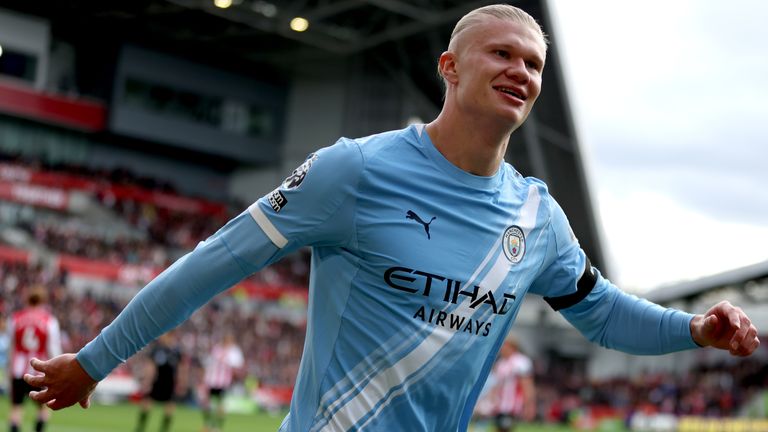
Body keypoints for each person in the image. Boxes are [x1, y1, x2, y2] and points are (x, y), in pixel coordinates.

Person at [24, 4, 760, 432]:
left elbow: (600, 315)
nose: (522, 72)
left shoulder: (537, 217)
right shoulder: (357, 170)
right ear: (449, 66)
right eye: (502, 53)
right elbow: (214, 261)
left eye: (535, 63)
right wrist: (93, 361)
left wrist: (691, 328)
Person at [9, 288, 61, 432]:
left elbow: (11, 347)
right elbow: (53, 348)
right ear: (43, 301)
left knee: (16, 409)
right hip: (39, 370)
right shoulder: (49, 321)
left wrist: (9, 370)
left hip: (19, 370)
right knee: (43, 409)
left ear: (27, 300)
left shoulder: (16, 318)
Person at [134, 331, 185, 432]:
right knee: (146, 404)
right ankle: (140, 428)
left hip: (170, 383)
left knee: (169, 408)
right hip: (156, 381)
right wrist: (147, 381)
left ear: (170, 336)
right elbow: (150, 366)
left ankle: (164, 429)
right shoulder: (157, 350)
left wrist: (181, 382)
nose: (161, 337)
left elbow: (181, 368)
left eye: (164, 335)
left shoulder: (176, 351)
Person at [200, 332, 244, 432]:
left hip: (223, 382)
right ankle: (207, 424)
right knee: (206, 403)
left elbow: (237, 366)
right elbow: (208, 363)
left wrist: (233, 374)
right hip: (211, 380)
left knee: (220, 404)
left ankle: (217, 427)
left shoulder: (234, 352)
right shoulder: (217, 349)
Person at [490, 337, 536, 432]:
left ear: (512, 347)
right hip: (500, 405)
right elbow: (496, 385)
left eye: (504, 346)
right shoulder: (501, 363)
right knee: (499, 428)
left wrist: (529, 405)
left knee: (505, 428)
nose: (502, 349)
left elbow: (527, 385)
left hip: (512, 406)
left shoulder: (521, 362)